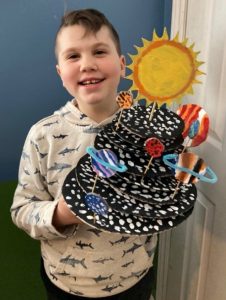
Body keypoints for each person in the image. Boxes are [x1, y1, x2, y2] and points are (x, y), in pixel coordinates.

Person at [11, 8, 157, 300]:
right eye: (73, 56)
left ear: (122, 64)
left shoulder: (146, 130)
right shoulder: (44, 136)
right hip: (66, 282)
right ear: (60, 73)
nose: (87, 64)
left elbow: (157, 195)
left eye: (99, 51)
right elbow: (22, 209)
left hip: (134, 276)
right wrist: (61, 214)